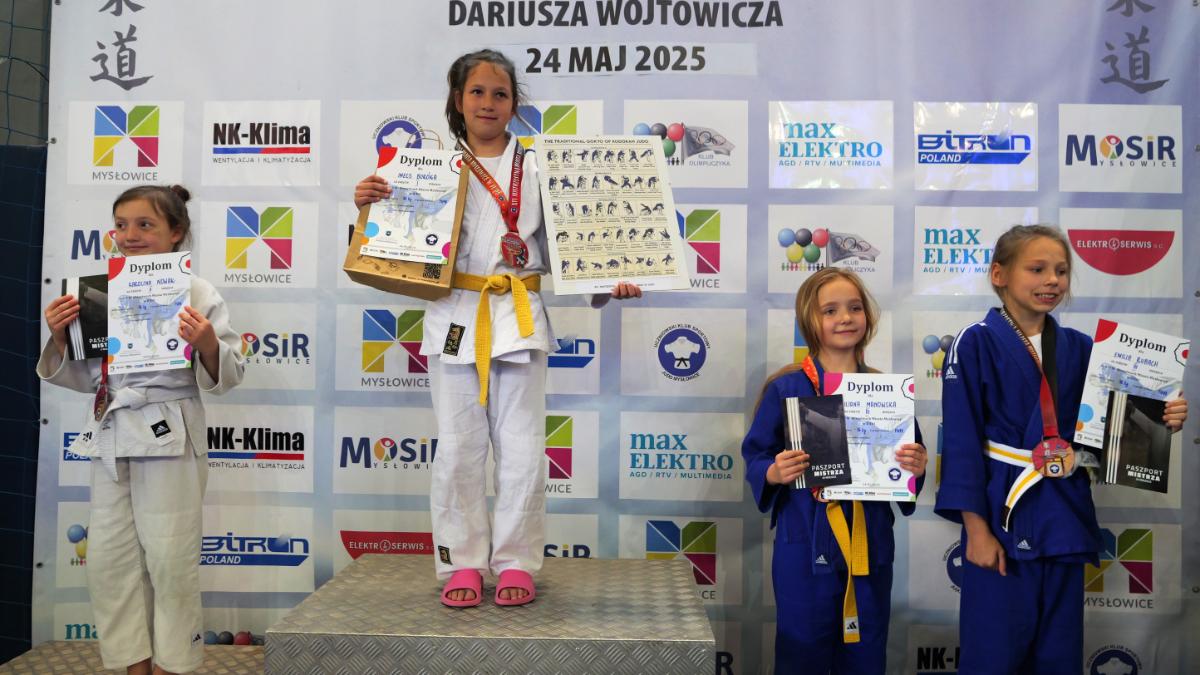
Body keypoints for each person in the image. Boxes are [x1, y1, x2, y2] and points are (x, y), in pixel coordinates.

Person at [353, 49, 640, 608]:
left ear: (514, 104)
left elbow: (571, 246)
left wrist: (610, 277)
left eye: (500, 94)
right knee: (458, 450)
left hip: (518, 316)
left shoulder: (540, 168)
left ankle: (515, 562)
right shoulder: (424, 170)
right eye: (477, 92)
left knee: (523, 449)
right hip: (455, 314)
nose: (488, 103)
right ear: (458, 100)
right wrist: (371, 207)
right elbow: (395, 248)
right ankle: (462, 563)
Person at [935, 224, 1188, 674]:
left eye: (1061, 271)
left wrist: (1162, 418)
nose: (1052, 280)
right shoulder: (974, 341)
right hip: (1002, 515)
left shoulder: (1081, 348)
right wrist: (976, 530)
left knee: (1058, 654)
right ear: (999, 274)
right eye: (1037, 269)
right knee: (993, 654)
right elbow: (960, 440)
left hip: (1063, 512)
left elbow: (1112, 428)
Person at [39, 185, 244, 675]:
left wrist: (207, 342)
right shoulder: (96, 293)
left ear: (176, 233)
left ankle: (173, 665)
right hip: (112, 429)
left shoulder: (198, 292)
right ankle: (135, 667)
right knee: (109, 563)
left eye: (145, 224)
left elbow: (229, 374)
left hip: (171, 432)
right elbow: (86, 377)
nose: (129, 234)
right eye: (121, 225)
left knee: (171, 560)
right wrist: (61, 335)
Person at [742, 267, 927, 673]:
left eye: (855, 308)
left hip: (868, 542)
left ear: (868, 316)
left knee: (866, 651)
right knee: (800, 651)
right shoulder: (786, 387)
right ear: (809, 320)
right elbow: (756, 455)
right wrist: (773, 471)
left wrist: (915, 465)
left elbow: (909, 466)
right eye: (830, 310)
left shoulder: (886, 392)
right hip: (804, 542)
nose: (845, 318)